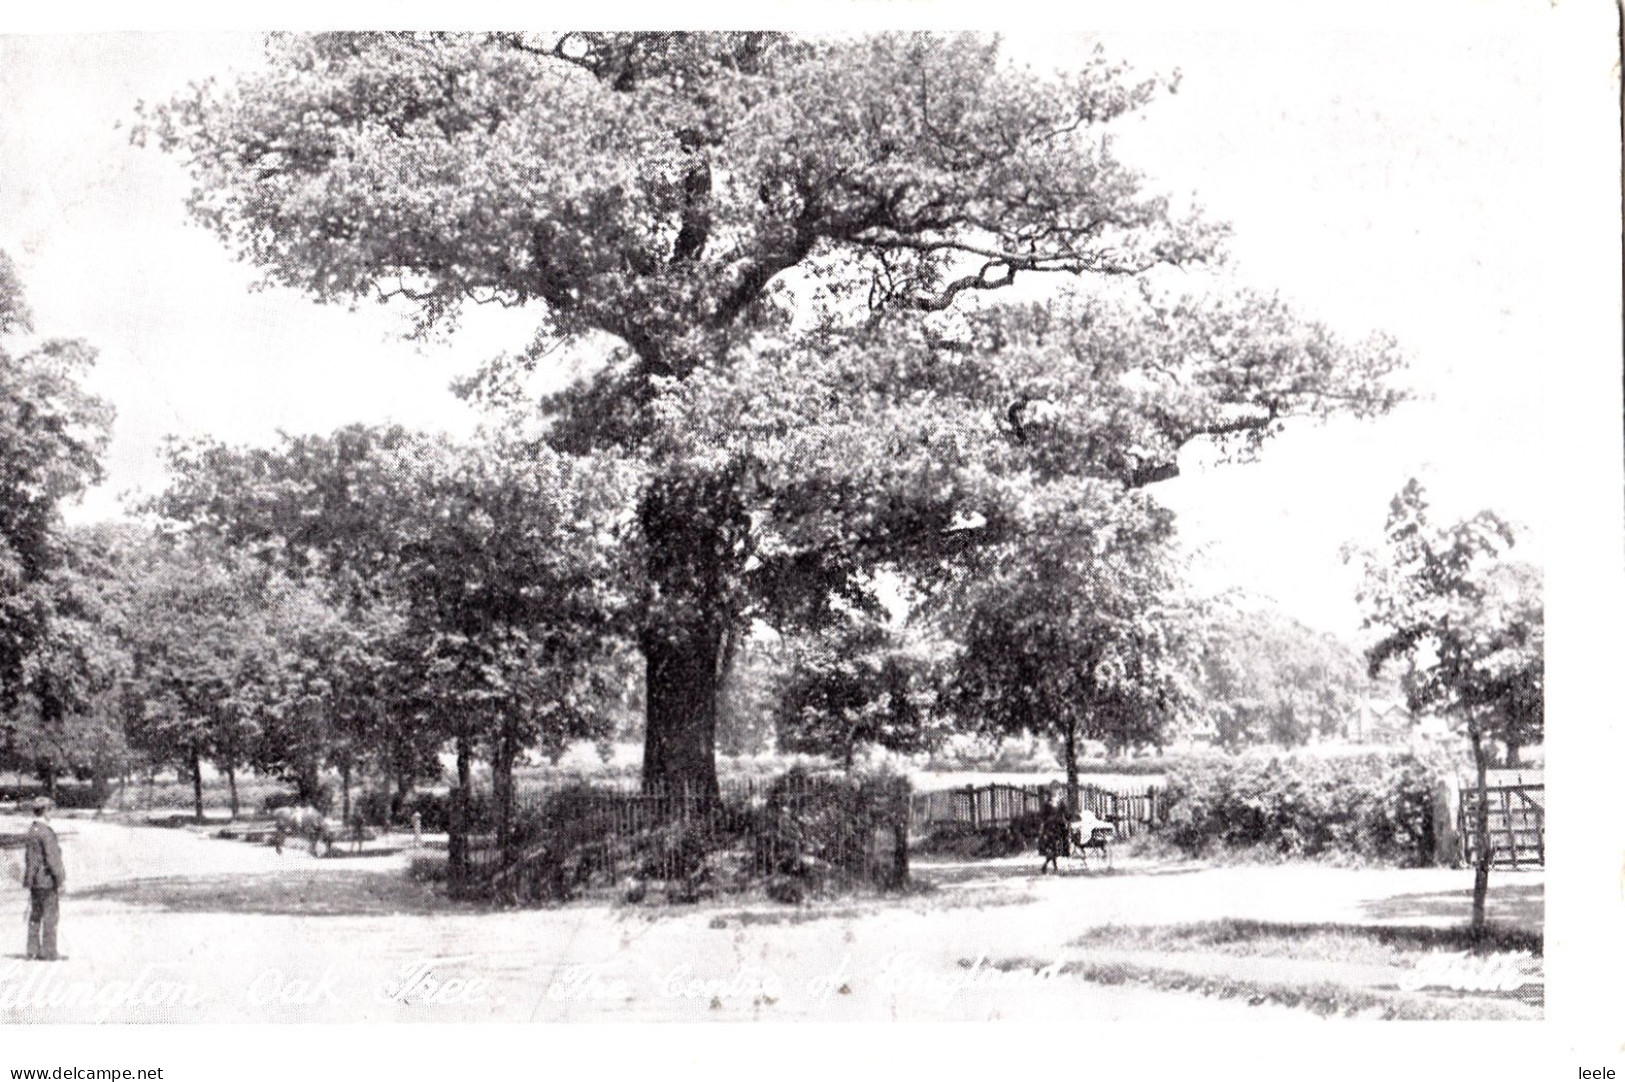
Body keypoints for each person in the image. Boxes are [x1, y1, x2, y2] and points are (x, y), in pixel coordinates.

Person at [22, 797, 65, 961]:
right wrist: (60, 880)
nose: (52, 814)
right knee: (50, 915)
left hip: (35, 881)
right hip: (47, 880)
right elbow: (53, 858)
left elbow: (30, 858)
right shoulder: (46, 832)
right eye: (51, 810)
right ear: (46, 811)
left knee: (35, 915)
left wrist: (29, 879)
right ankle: (49, 952)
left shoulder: (32, 830)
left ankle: (32, 950)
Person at [1036, 790, 1071, 874]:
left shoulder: (1048, 804)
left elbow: (1042, 816)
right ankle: (1049, 866)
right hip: (1057, 827)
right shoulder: (1060, 803)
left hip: (1049, 827)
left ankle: (1051, 866)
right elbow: (1067, 814)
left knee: (1052, 847)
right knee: (1057, 846)